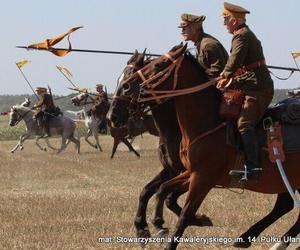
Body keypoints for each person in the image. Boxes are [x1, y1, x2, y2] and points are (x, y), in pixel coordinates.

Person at [217, 2, 274, 181]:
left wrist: (224, 76)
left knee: (244, 123)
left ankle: (254, 167)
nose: (224, 23)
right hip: (250, 86)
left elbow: (234, 62)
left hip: (259, 89)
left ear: (234, 20)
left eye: (226, 19)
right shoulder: (241, 34)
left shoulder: (241, 36)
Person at [178, 13, 228, 79]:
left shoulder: (208, 45)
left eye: (184, 28)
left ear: (195, 27)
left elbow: (217, 72)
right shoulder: (201, 43)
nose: (182, 31)